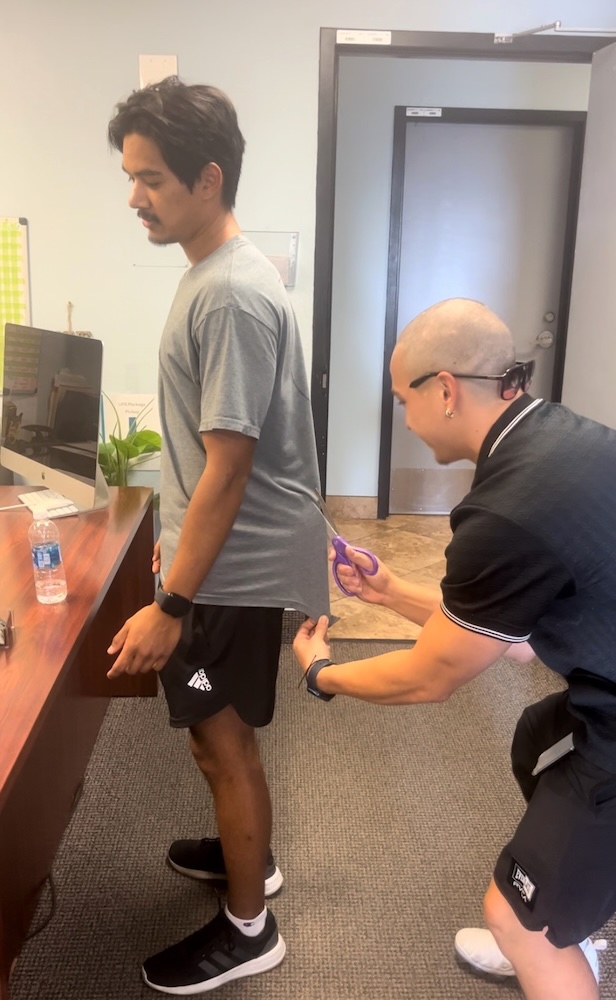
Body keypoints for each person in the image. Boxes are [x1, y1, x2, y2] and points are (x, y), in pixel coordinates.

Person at [294, 297, 616, 1000]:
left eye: (401, 399)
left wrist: (323, 674)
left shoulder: (507, 508)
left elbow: (430, 675)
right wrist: (391, 594)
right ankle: (558, 925)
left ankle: (540, 938)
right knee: (540, 753)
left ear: (443, 389)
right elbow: (512, 637)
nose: (403, 419)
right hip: (601, 682)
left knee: (512, 916)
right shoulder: (560, 437)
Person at [106, 76, 329, 995]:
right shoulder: (215, 275)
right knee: (209, 724)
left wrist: (170, 601)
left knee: (221, 735)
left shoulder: (232, 295)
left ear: (207, 179)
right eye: (130, 177)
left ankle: (251, 927)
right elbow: (209, 458)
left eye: (150, 179)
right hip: (216, 569)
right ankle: (251, 858)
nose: (133, 199)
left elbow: (230, 469)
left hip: (230, 581)